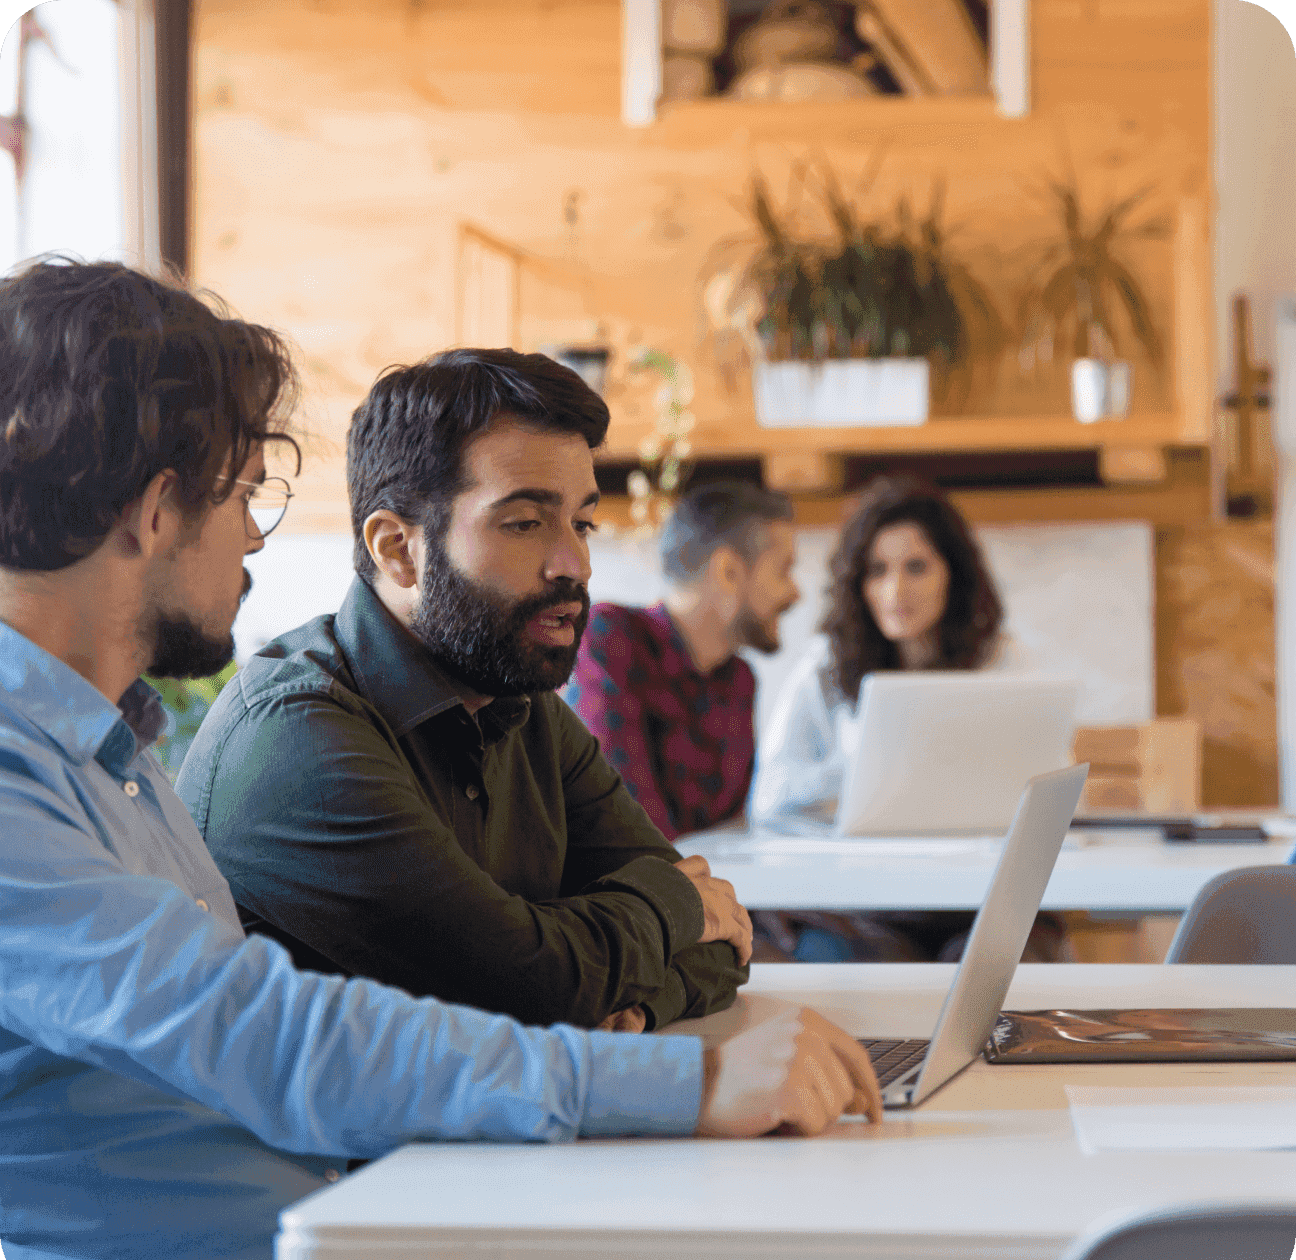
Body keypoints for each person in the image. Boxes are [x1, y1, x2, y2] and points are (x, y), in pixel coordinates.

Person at [0, 259, 882, 1260]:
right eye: (242, 492)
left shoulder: (110, 752)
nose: (253, 534)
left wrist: (632, 1018)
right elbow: (270, 1034)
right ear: (154, 512)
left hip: (380, 1217)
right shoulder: (31, 781)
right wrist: (681, 1080)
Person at [179, 350, 754, 1035]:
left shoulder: (523, 705)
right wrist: (670, 914)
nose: (575, 564)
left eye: (582, 522)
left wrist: (635, 1002)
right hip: (340, 1146)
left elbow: (723, 940)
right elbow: (522, 985)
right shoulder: (294, 735)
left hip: (494, 1132)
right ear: (398, 549)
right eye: (524, 523)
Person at [748, 474, 1065, 964]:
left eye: (916, 567)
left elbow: (1043, 786)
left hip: (981, 895)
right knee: (834, 951)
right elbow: (769, 799)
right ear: (857, 581)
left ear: (952, 574)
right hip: (870, 905)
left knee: (1001, 958)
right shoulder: (827, 666)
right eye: (877, 570)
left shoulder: (1001, 660)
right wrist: (861, 763)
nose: (895, 590)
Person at [563, 480, 799, 841]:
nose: (795, 592)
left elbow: (728, 834)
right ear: (728, 571)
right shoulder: (611, 639)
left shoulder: (739, 680)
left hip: (702, 888)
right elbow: (626, 827)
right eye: (783, 570)